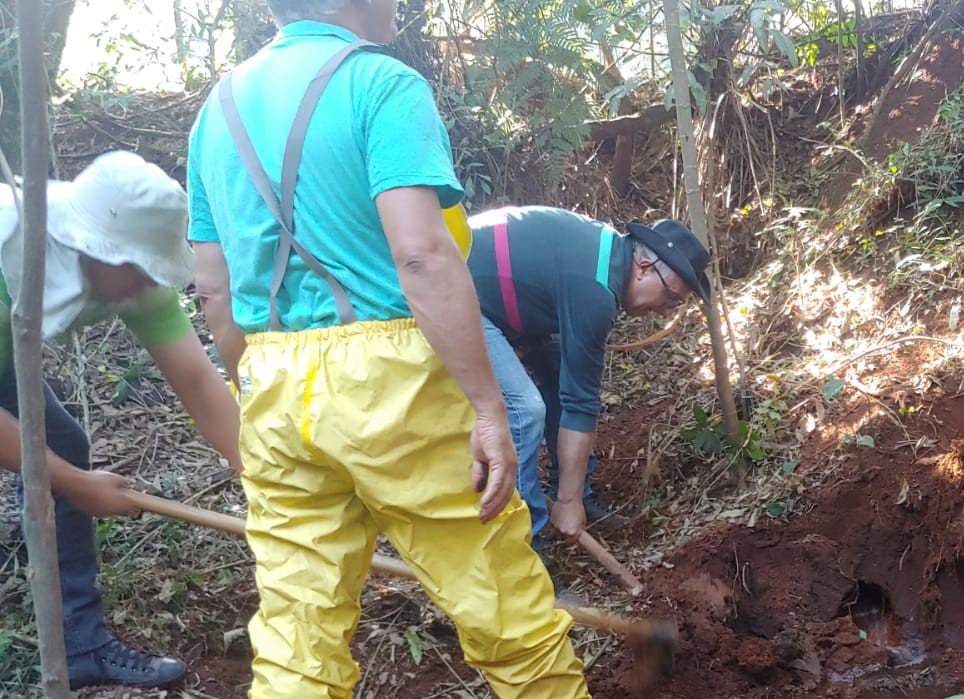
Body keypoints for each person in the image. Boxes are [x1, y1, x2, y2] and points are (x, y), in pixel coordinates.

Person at [184, 1, 590, 696]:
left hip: (273, 381)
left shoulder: (213, 114)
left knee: (296, 631)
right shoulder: (382, 85)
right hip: (393, 378)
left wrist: (252, 385)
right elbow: (424, 256)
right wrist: (488, 406)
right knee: (500, 602)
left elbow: (213, 291)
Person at [0, 150, 242, 689]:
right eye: (136, 265)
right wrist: (74, 483)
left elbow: (201, 385)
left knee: (61, 441)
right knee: (60, 460)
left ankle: (79, 646)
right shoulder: (7, 256)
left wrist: (263, 479)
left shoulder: (133, 279)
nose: (145, 279)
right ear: (92, 246)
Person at [467, 206, 709, 550]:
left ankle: (568, 489)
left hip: (500, 299)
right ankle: (523, 551)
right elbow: (581, 405)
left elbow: (573, 388)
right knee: (524, 409)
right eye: (671, 297)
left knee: (555, 365)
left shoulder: (607, 258)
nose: (667, 310)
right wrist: (569, 504)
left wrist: (571, 494)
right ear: (643, 267)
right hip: (453, 296)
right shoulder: (594, 290)